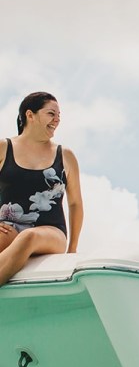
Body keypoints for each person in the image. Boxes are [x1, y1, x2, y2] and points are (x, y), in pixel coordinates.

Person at [0, 92, 83, 286]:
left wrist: (72, 249)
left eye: (59, 116)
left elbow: (75, 203)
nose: (57, 120)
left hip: (50, 232)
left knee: (29, 236)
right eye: (51, 114)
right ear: (30, 115)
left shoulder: (65, 155)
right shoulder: (4, 148)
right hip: (8, 225)